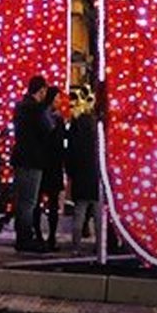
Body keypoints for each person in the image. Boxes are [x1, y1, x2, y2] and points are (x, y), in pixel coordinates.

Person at [11, 74, 51, 252]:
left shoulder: (20, 107)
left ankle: (21, 235)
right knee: (29, 202)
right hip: (33, 159)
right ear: (41, 90)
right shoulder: (36, 110)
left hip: (20, 157)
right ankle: (25, 239)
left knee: (21, 201)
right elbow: (48, 128)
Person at [66, 85, 100, 251]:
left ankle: (76, 245)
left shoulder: (76, 126)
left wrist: (70, 172)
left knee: (79, 211)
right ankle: (100, 245)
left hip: (80, 173)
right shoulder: (98, 128)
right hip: (96, 174)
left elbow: (70, 151)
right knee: (98, 212)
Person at [38, 85, 67, 250]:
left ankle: (49, 237)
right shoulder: (49, 118)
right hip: (49, 164)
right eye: (57, 98)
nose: (59, 101)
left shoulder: (54, 117)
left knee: (51, 202)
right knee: (49, 202)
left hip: (50, 164)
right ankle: (46, 237)